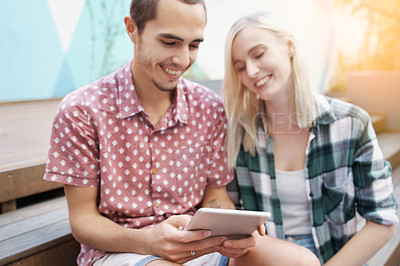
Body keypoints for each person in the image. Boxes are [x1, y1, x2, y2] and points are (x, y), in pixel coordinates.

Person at [43, 1, 320, 266]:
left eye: (194, 45)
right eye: (170, 42)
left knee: (302, 262)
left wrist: (232, 230)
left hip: (201, 244)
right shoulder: (81, 111)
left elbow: (216, 196)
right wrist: (148, 241)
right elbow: (82, 222)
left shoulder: (210, 108)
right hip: (122, 251)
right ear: (132, 29)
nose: (183, 59)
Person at [222, 11, 398, 265]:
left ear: (290, 46)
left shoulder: (351, 123)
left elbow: (383, 222)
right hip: (265, 257)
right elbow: (232, 217)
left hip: (336, 258)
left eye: (259, 54)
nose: (250, 70)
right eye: (239, 67)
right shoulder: (240, 133)